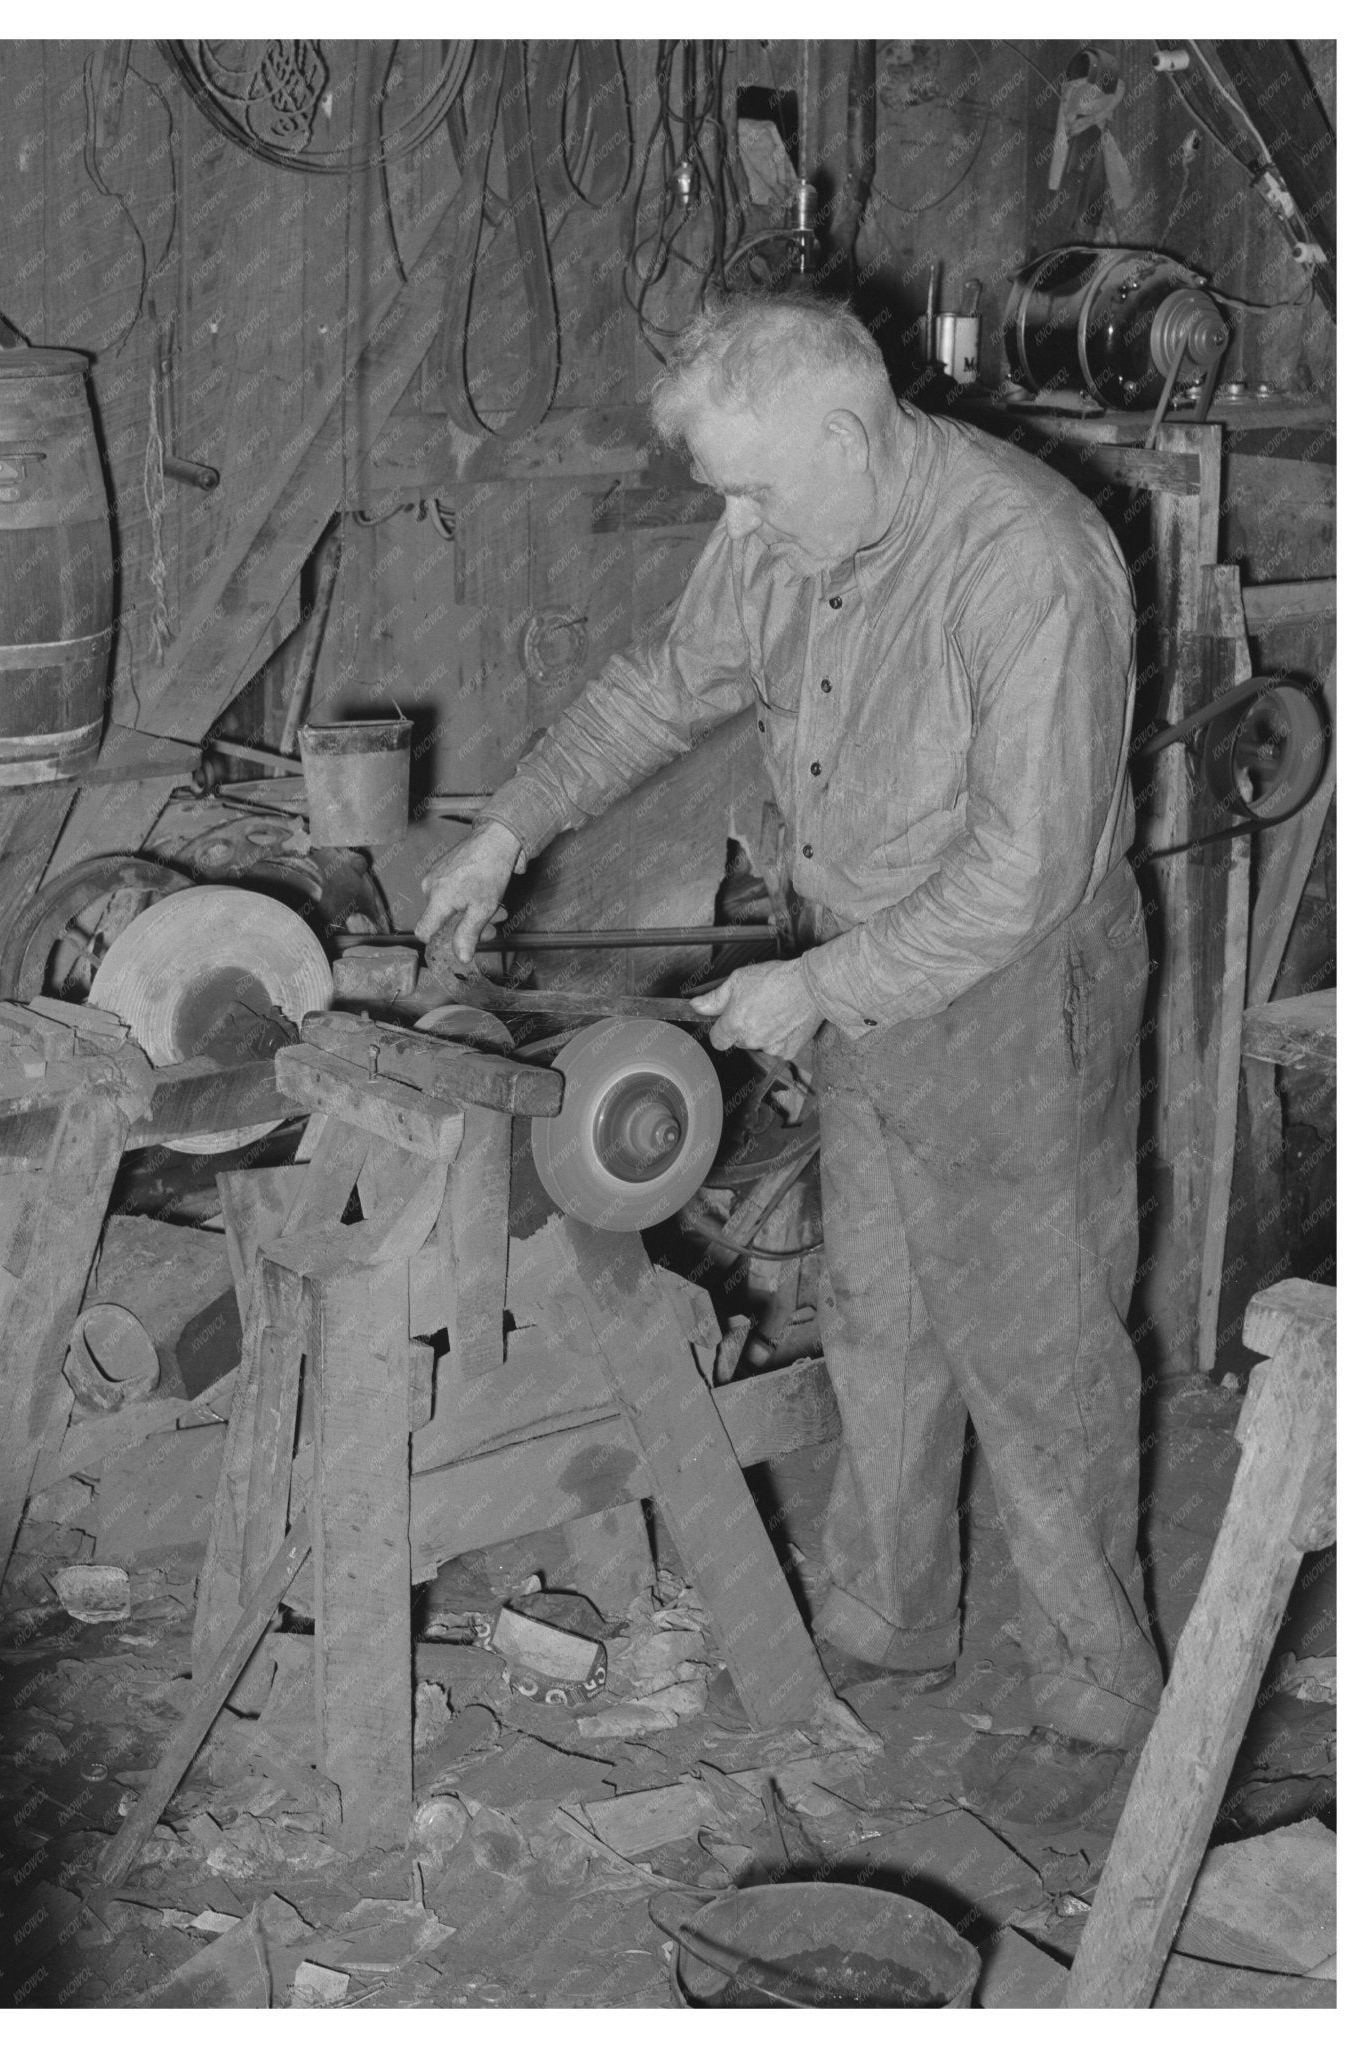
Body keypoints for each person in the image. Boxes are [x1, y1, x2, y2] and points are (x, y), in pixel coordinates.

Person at [417, 295, 1162, 1823]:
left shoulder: (1028, 566)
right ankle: (893, 1619)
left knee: (1037, 1345)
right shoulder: (781, 524)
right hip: (866, 964)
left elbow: (1024, 874)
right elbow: (658, 686)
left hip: (1017, 993)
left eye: (755, 490)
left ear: (847, 433)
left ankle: (1102, 1690)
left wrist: (819, 981)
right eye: (725, 498)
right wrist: (507, 829)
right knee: (884, 1312)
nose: (738, 524)